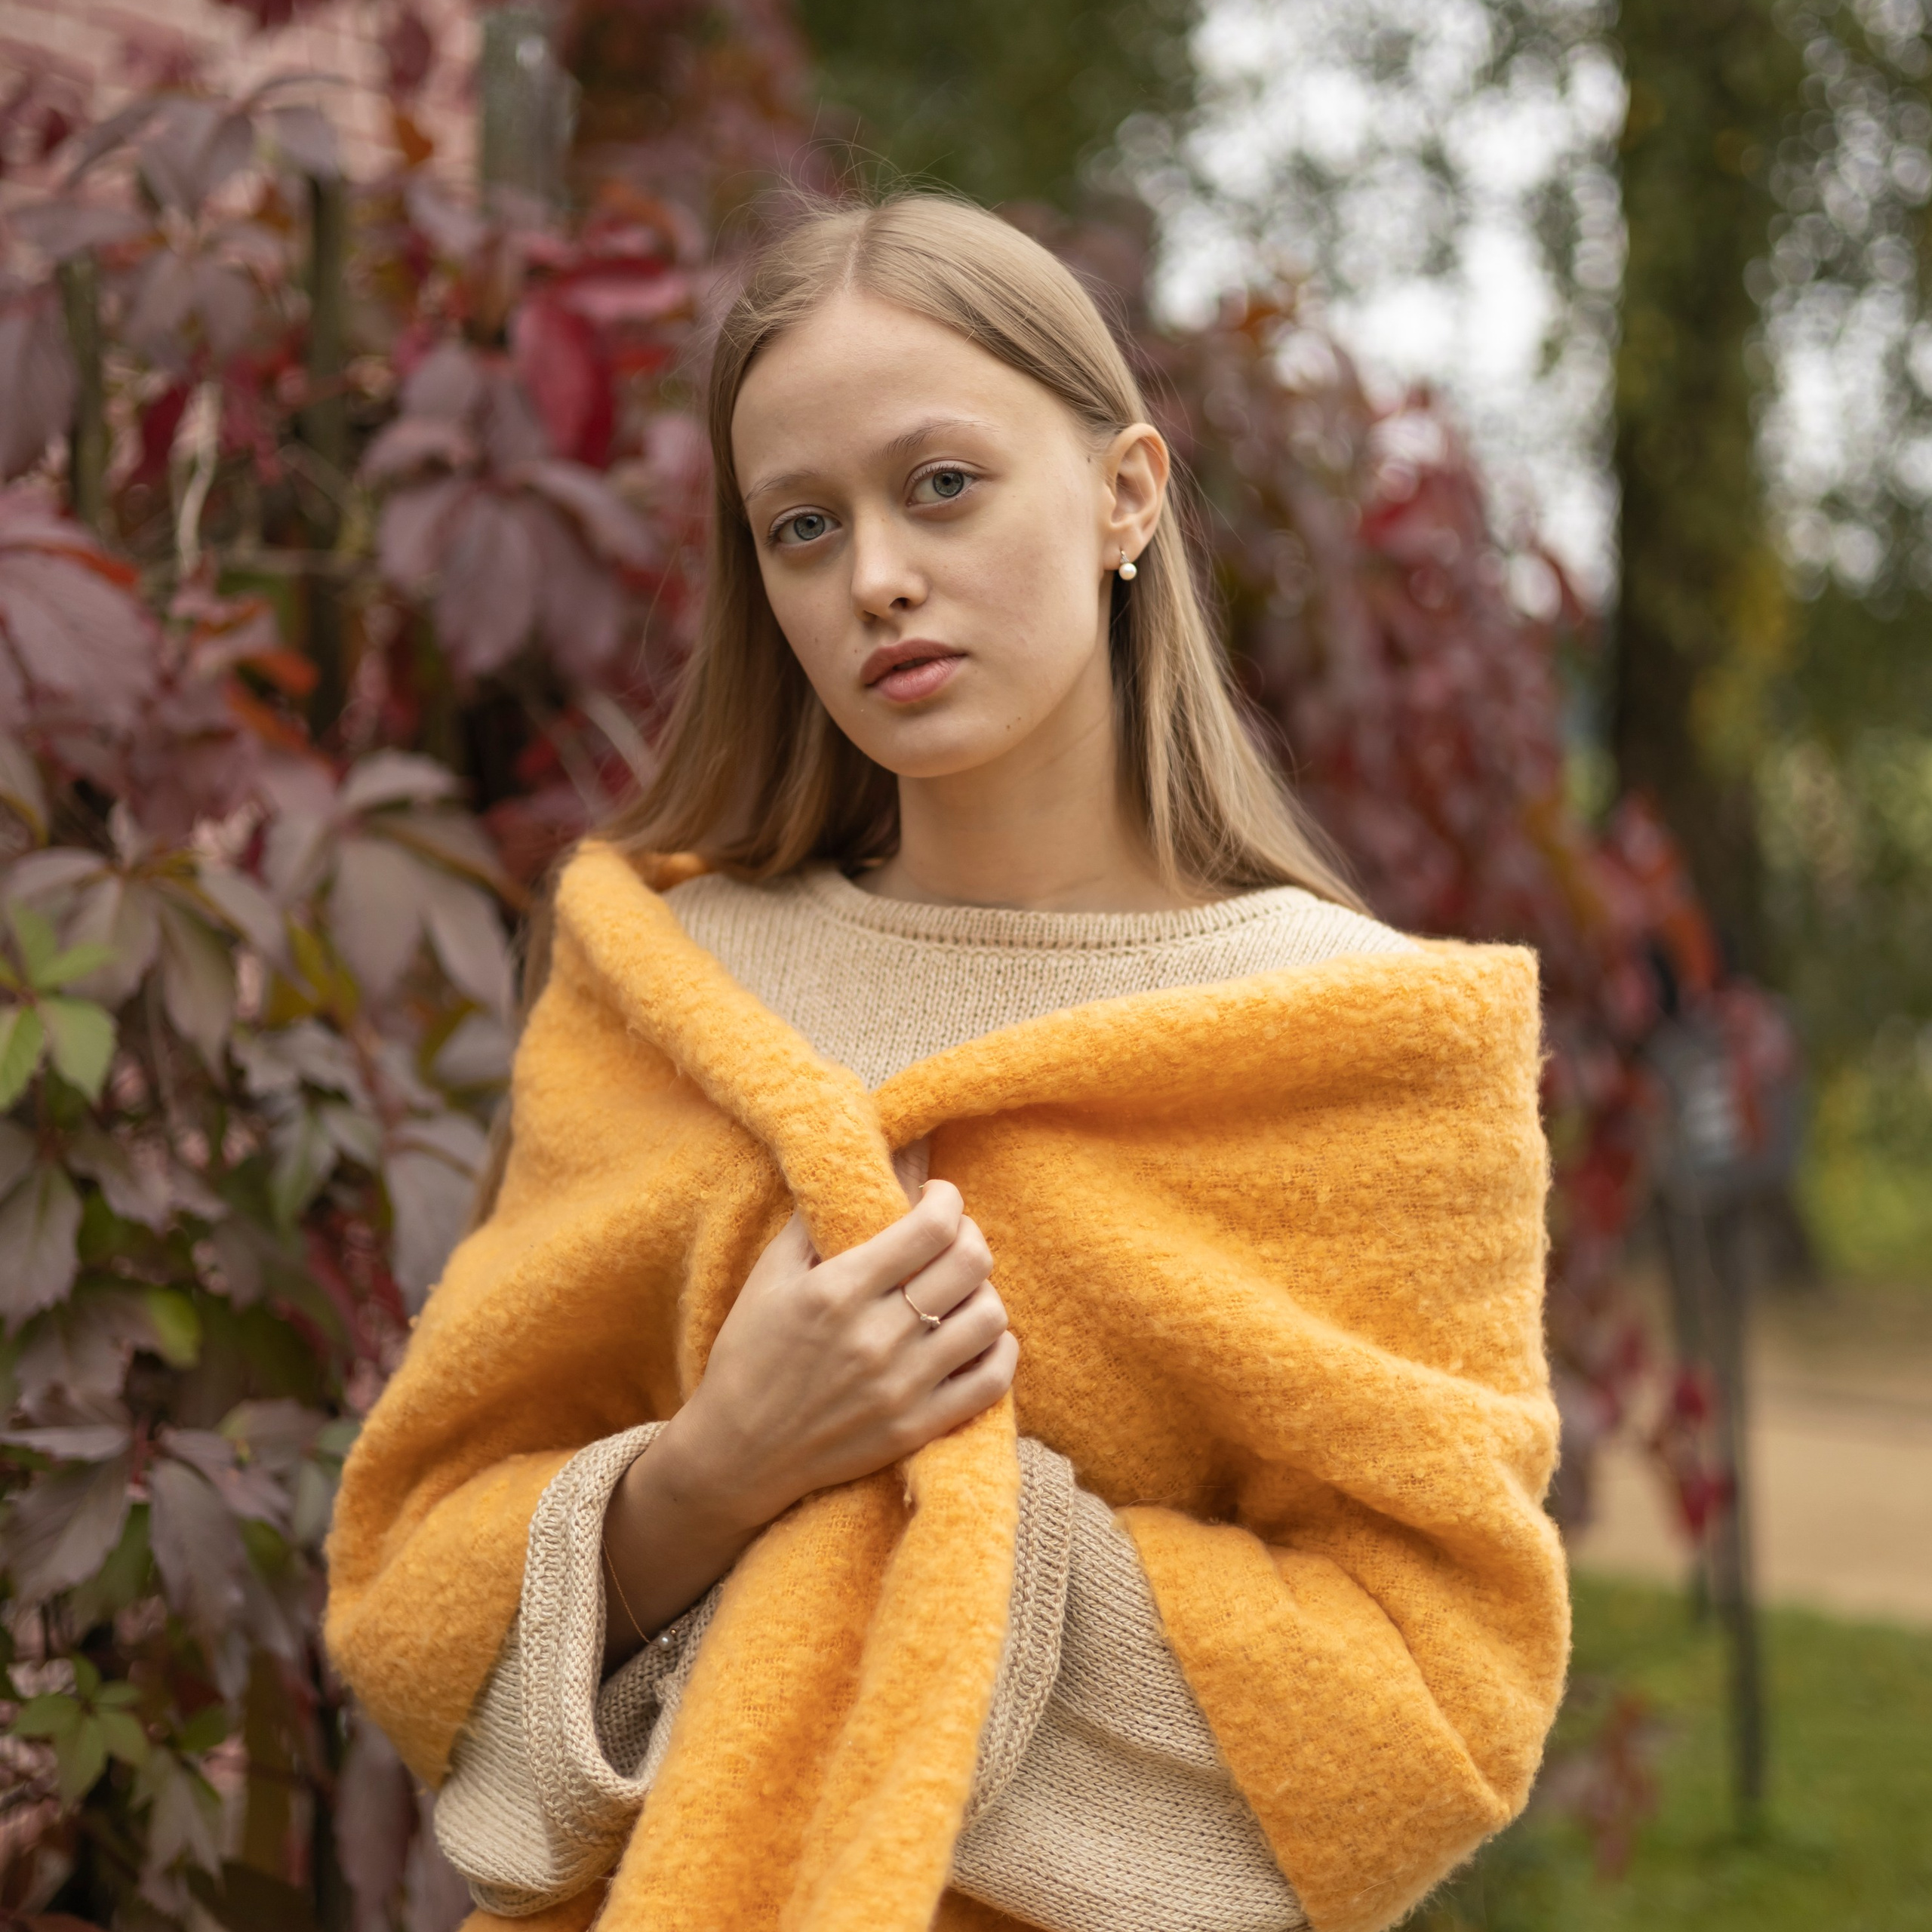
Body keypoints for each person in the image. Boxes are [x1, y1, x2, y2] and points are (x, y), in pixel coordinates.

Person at [326, 192, 1569, 1932]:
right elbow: (412, 1576)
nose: (874, 578)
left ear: (1124, 493)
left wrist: (955, 1524)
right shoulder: (662, 986)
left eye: (939, 485)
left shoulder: (1365, 1052)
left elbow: (1431, 1695)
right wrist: (710, 1472)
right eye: (801, 525)